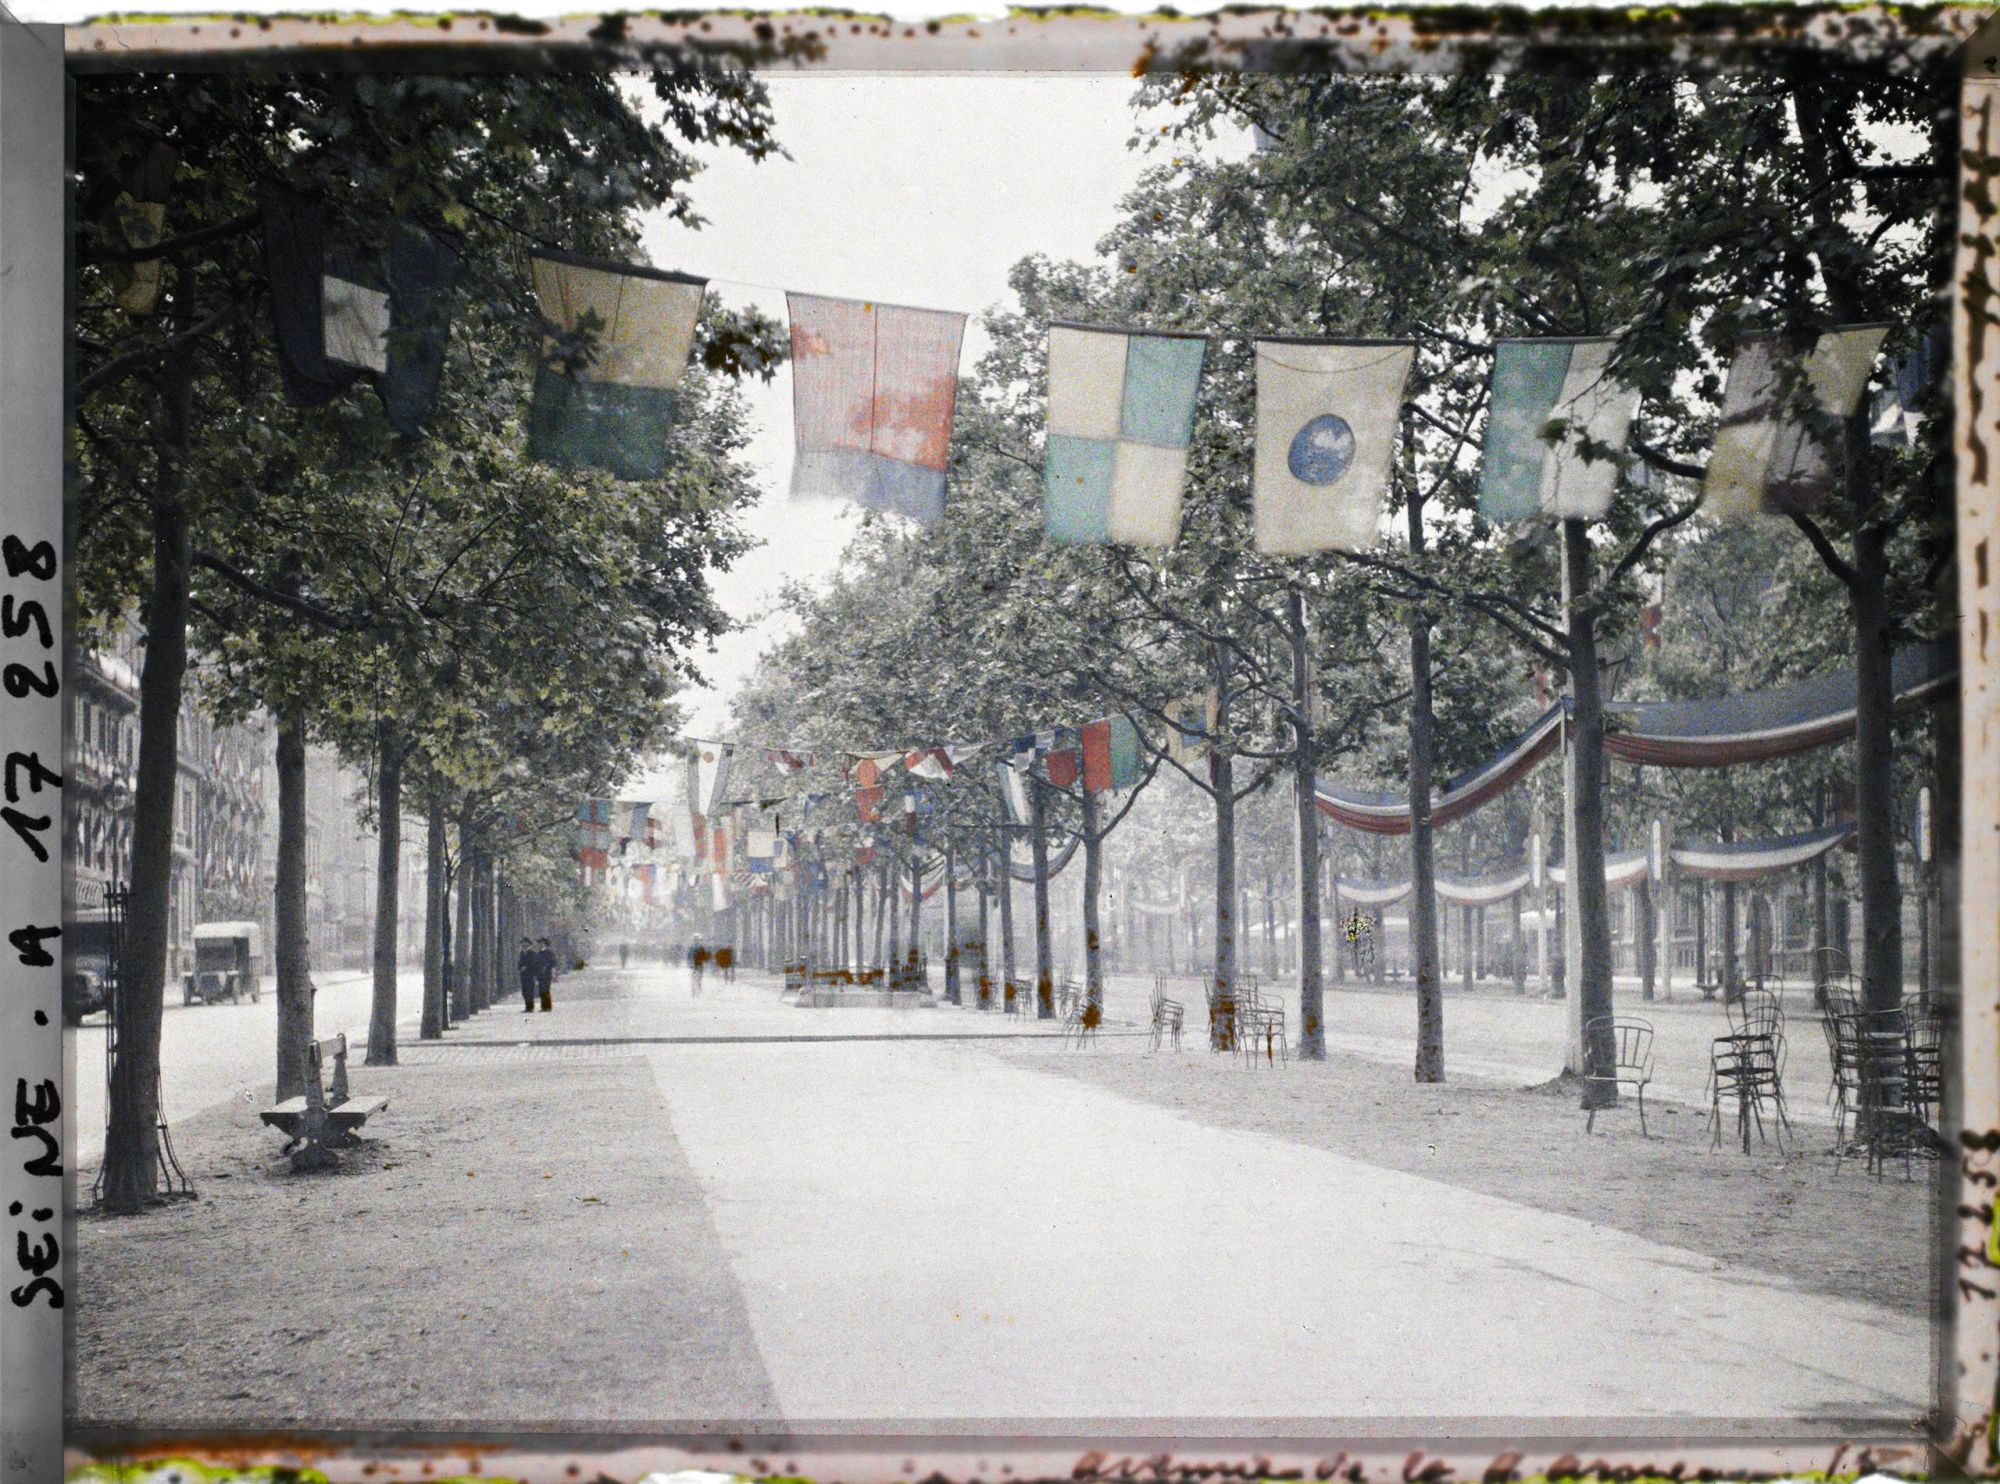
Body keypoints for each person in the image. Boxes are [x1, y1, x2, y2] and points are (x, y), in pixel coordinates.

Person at [517, 936, 538, 1012]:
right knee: (524, 991)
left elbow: (534, 963)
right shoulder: (522, 953)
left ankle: (530, 1007)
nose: (523, 945)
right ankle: (527, 1006)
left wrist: (526, 967)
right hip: (523, 975)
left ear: (528, 944)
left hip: (530, 975)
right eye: (522, 943)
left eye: (525, 943)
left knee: (530, 991)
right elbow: (519, 963)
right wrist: (519, 968)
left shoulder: (532, 953)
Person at [536, 936, 556, 1012]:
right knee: (541, 990)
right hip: (540, 974)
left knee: (546, 990)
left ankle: (548, 1006)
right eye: (539, 943)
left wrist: (547, 967)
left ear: (544, 943)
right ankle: (543, 1006)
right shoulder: (539, 953)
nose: (540, 945)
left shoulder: (549, 952)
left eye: (541, 943)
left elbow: (553, 962)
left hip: (547, 974)